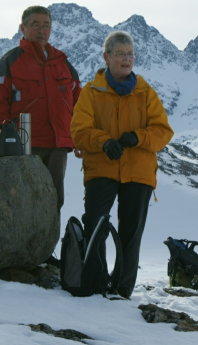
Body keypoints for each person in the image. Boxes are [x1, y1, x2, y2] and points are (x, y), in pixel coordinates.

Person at [70, 31, 173, 298]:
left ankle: (122, 289)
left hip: (138, 172)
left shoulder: (145, 92)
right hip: (101, 168)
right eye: (120, 54)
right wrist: (103, 142)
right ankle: (94, 283)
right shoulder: (91, 92)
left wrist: (138, 137)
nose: (126, 60)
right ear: (106, 57)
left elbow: (163, 131)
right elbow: (79, 130)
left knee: (131, 232)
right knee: (95, 224)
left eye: (130, 54)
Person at [0, 6, 82, 214]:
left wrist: (77, 138)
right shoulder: (9, 62)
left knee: (54, 201)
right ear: (23, 28)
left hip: (58, 147)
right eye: (35, 25)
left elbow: (79, 105)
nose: (41, 30)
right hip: (25, 148)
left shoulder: (63, 63)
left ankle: (49, 246)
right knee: (24, 203)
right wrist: (5, 142)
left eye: (46, 26)